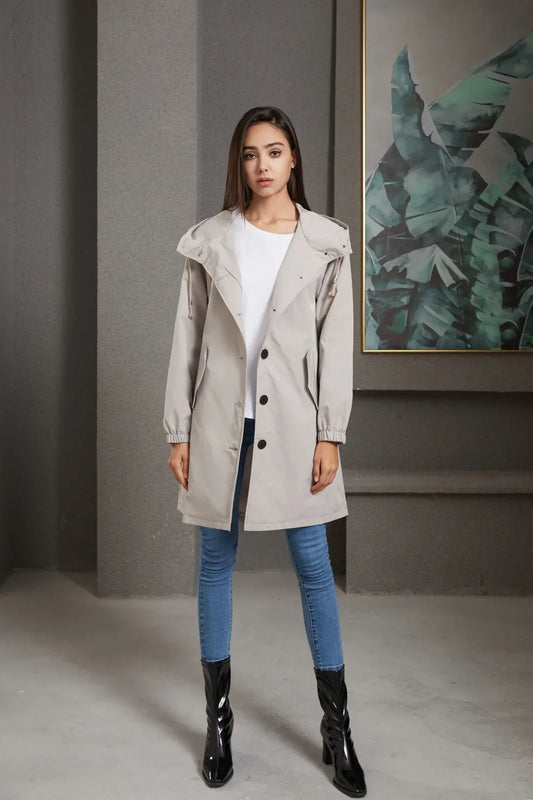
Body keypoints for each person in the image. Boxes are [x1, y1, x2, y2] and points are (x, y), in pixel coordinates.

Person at [163, 106, 366, 798]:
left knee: (313, 564)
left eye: (274, 151)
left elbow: (335, 347)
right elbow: (187, 337)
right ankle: (217, 726)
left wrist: (331, 433)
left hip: (298, 428)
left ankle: (337, 729)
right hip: (221, 423)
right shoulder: (211, 241)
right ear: (239, 163)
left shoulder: (324, 243)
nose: (262, 165)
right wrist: (178, 430)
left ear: (293, 159)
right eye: (250, 153)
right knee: (214, 562)